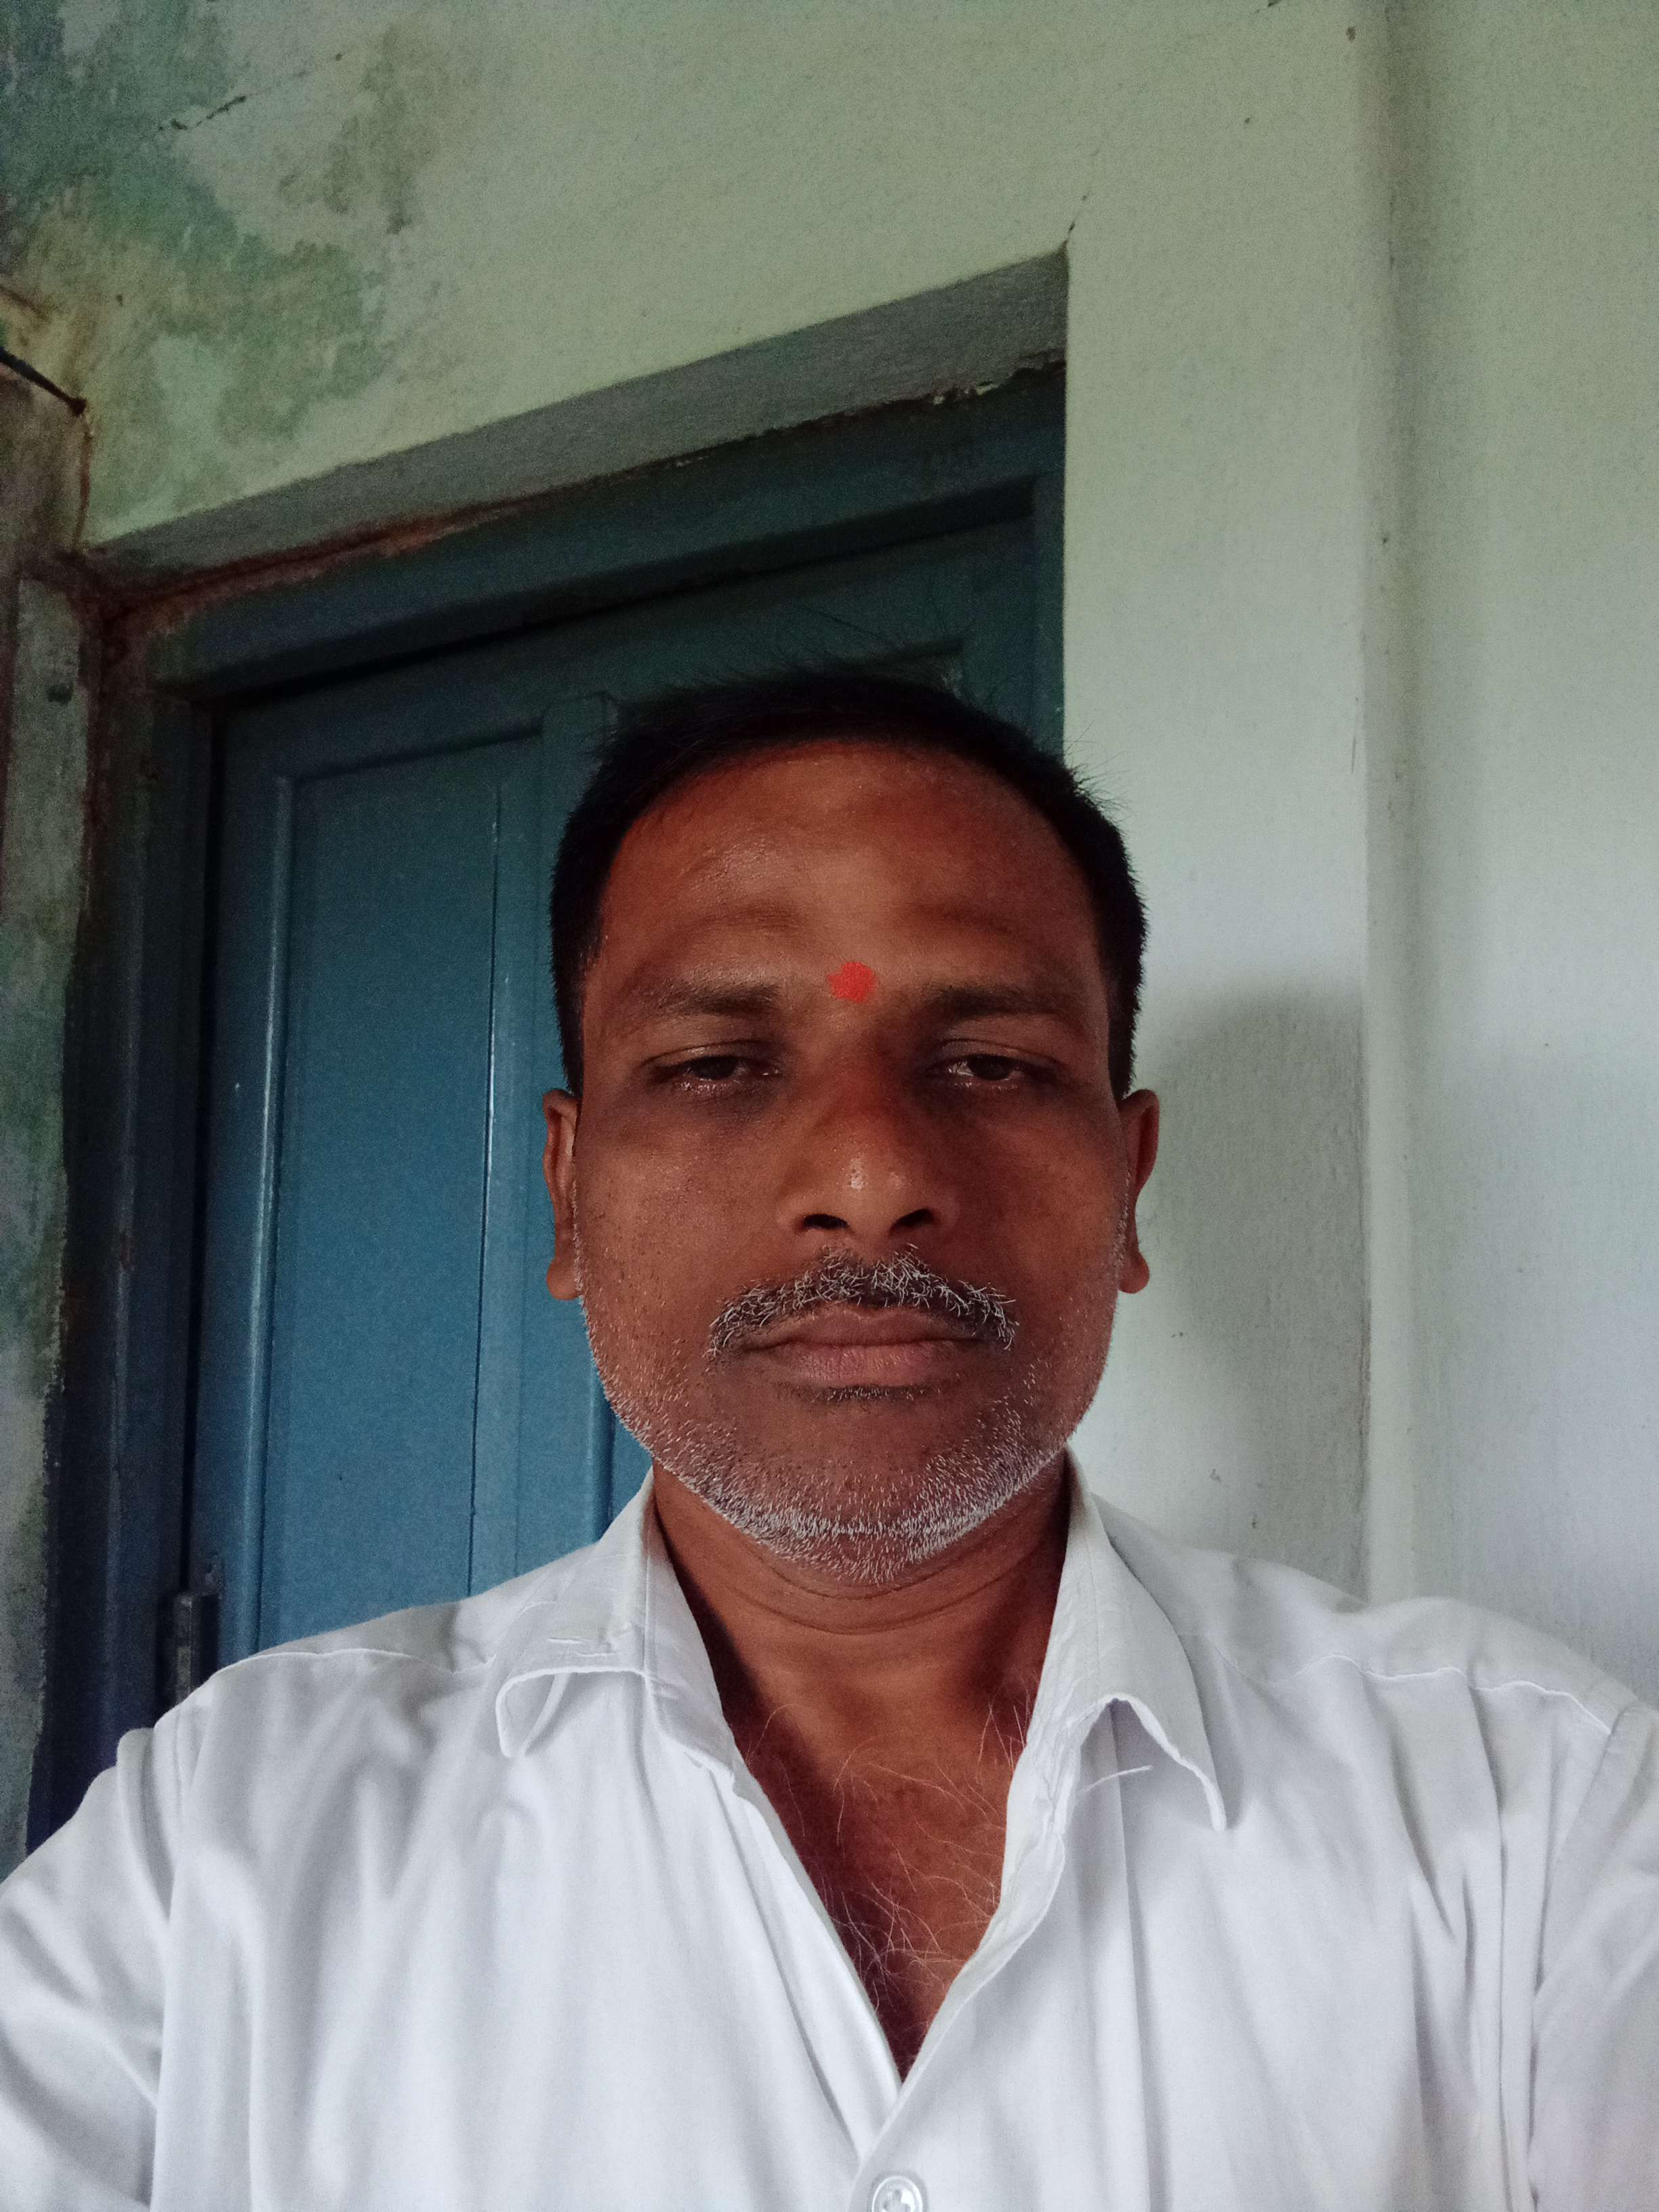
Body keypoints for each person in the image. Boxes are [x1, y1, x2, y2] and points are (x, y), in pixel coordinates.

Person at [1, 671, 1654, 2210]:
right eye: (718, 1064)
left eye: (991, 1063)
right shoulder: (224, 1847)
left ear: (1130, 1183)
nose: (870, 1178)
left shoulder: (1529, 1812)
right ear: (567, 1193)